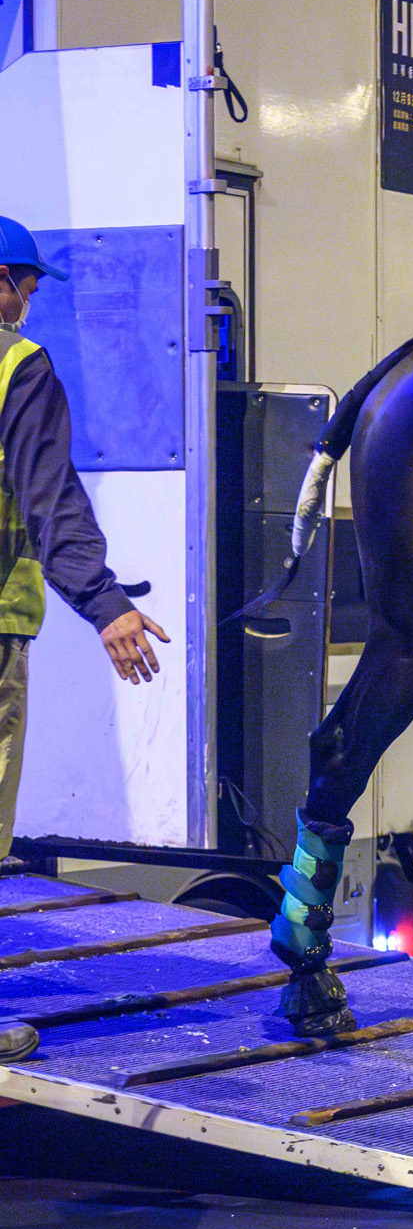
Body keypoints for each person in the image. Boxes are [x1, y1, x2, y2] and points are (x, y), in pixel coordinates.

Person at [0, 218, 173, 1063]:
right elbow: (48, 493)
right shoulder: (16, 368)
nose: (30, 304)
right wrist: (106, 603)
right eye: (25, 286)